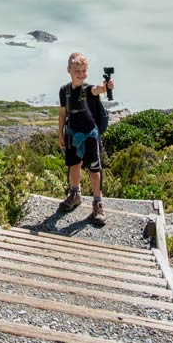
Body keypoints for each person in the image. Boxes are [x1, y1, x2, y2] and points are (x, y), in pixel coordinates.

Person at [58, 52, 114, 226]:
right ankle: (75, 194)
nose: (81, 74)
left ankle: (98, 203)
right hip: (72, 135)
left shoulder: (89, 90)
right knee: (75, 167)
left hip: (90, 137)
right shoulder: (64, 91)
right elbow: (62, 113)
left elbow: (98, 89)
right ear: (69, 70)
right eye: (77, 70)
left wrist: (106, 87)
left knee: (94, 172)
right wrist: (60, 133)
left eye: (84, 71)